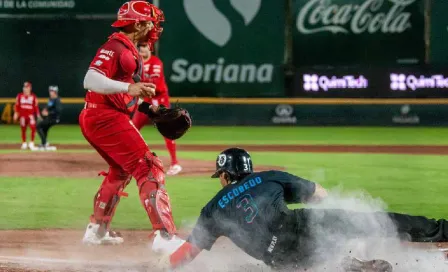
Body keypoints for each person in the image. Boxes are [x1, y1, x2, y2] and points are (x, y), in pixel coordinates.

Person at [152, 148, 448, 271]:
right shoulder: (267, 176)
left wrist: (161, 265)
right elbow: (319, 194)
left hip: (280, 260)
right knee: (376, 222)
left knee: (314, 262)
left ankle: (350, 265)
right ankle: (441, 231)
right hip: (299, 226)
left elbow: (185, 256)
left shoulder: (212, 208)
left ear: (225, 176)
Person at [79, 1, 180, 245]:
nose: (155, 27)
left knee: (121, 170)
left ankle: (96, 231)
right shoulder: (117, 46)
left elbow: (120, 95)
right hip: (105, 117)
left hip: (99, 115)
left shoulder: (126, 46)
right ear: (137, 24)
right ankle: (165, 237)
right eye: (150, 22)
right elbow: (90, 79)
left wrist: (148, 108)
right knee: (149, 167)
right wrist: (130, 87)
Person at [132, 43, 181, 175]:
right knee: (132, 128)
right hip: (145, 100)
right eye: (140, 50)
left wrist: (139, 86)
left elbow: (155, 87)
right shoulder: (137, 63)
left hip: (159, 101)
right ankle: (130, 160)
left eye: (144, 49)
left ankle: (175, 163)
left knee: (167, 130)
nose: (142, 52)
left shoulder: (156, 62)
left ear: (150, 49)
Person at [13, 81, 40, 150]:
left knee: (33, 128)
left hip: (30, 116)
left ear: (30, 88)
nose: (25, 89)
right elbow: (17, 105)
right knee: (23, 129)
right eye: (24, 87)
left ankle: (31, 143)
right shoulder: (19, 96)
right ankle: (24, 143)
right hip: (22, 116)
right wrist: (16, 113)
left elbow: (36, 106)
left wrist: (38, 114)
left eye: (27, 87)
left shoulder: (33, 96)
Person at [36, 85, 62, 151]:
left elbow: (58, 110)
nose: (50, 92)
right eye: (50, 91)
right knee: (44, 128)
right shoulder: (51, 99)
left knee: (38, 126)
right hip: (49, 118)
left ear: (55, 92)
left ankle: (44, 143)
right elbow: (48, 107)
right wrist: (44, 110)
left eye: (52, 91)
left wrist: (49, 113)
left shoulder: (57, 100)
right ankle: (44, 143)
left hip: (54, 119)